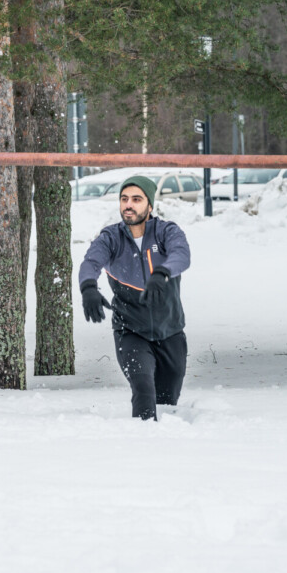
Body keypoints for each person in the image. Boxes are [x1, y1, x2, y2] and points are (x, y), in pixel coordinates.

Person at [78, 175, 190, 420]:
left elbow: (182, 255)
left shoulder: (166, 232)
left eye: (136, 199)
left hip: (170, 330)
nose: (128, 205)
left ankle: (167, 447)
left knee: (167, 399)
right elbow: (90, 262)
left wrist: (162, 273)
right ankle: (141, 443)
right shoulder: (110, 238)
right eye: (124, 199)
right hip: (130, 331)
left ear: (150, 205)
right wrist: (88, 287)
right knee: (143, 388)